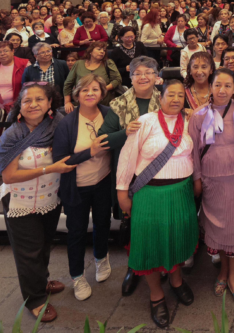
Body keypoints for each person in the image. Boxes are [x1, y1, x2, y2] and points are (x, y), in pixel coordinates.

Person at [116, 80, 197, 329]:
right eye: (169, 95)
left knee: (176, 238)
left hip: (181, 192)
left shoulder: (191, 121)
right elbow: (128, 156)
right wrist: (122, 192)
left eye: (179, 96)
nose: (175, 99)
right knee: (150, 243)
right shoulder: (146, 121)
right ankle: (155, 294)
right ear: (159, 98)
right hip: (150, 194)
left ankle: (176, 280)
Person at [0, 83, 76, 323]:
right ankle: (35, 299)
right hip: (20, 202)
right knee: (28, 253)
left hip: (50, 198)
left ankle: (40, 282)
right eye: (27, 101)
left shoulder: (58, 125)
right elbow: (8, 176)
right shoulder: (13, 134)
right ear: (20, 105)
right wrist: (50, 168)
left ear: (50, 103)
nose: (33, 105)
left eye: (39, 99)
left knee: (43, 245)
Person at [188, 68, 234, 308]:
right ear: (211, 86)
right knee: (218, 226)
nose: (222, 90)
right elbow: (194, 154)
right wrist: (197, 179)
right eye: (218, 85)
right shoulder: (198, 116)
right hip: (212, 182)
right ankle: (221, 273)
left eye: (228, 86)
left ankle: (233, 276)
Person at [97, 56, 162, 297]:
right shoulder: (119, 104)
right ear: (130, 76)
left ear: (157, 76)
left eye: (149, 72)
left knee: (158, 222)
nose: (143, 77)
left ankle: (162, 264)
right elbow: (103, 140)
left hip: (162, 174)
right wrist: (125, 132)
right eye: (138, 73)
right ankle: (134, 268)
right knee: (135, 225)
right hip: (131, 177)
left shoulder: (167, 99)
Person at [53, 74, 113, 301]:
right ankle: (77, 276)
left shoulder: (108, 114)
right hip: (77, 186)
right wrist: (91, 152)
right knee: (76, 232)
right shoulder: (67, 122)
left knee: (103, 223)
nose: (90, 94)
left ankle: (101, 258)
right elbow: (61, 161)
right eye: (85, 90)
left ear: (102, 93)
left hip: (103, 181)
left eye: (95, 90)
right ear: (77, 94)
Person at [63, 41, 122, 110]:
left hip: (104, 104)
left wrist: (102, 90)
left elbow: (117, 79)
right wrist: (67, 102)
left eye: (104, 50)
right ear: (90, 51)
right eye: (99, 49)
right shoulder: (78, 64)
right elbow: (68, 84)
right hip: (82, 104)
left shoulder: (108, 63)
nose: (102, 51)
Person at [0, 41, 29, 113]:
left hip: (19, 107)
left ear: (13, 51)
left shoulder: (24, 64)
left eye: (5, 51)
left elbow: (31, 85)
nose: (2, 54)